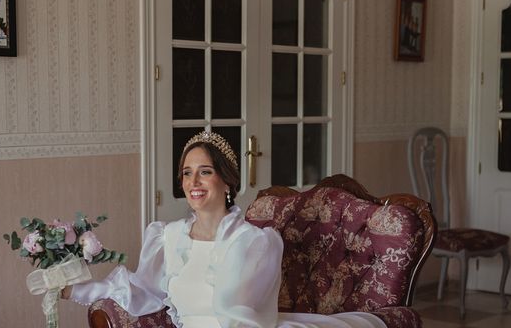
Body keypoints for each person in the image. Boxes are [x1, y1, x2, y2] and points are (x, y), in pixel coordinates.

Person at [63, 131, 386, 328]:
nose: (194, 183)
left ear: (227, 181)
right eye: (187, 174)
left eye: (205, 172)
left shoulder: (253, 243)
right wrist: (74, 289)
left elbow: (242, 319)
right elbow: (141, 290)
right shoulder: (168, 237)